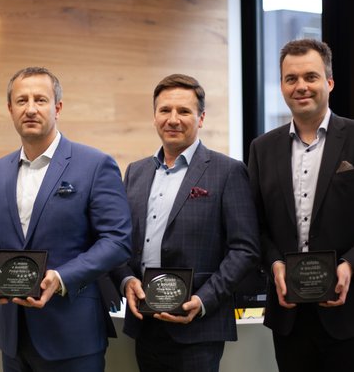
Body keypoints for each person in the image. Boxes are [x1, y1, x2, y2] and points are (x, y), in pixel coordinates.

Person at [248, 38, 354, 372]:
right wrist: (275, 264)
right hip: (289, 316)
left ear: (329, 82)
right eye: (291, 78)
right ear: (282, 86)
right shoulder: (261, 149)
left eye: (311, 76)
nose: (301, 86)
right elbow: (255, 224)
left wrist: (350, 265)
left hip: (352, 312)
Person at [0, 66, 132, 372]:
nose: (30, 109)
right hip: (14, 338)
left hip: (73, 336)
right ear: (10, 109)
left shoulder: (95, 164)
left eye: (40, 100)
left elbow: (117, 241)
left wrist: (62, 278)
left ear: (57, 107)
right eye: (22, 100)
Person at [111, 74, 260, 372]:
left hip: (198, 327)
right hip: (145, 323)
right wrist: (126, 280)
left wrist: (203, 300)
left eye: (184, 111)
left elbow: (245, 250)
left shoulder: (227, 171)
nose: (173, 119)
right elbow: (119, 242)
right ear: (154, 117)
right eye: (165, 110)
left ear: (201, 118)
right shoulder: (135, 172)